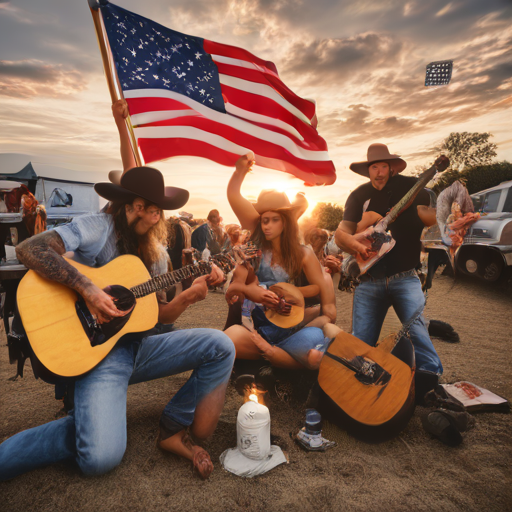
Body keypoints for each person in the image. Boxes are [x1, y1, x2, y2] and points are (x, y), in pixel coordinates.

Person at [0, 117, 235, 484]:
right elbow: (30, 248)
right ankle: (75, 426)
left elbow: (157, 316)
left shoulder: (156, 255)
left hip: (134, 348)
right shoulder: (97, 227)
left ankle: (174, 425)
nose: (151, 215)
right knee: (100, 458)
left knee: (220, 344)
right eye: (143, 207)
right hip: (94, 353)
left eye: (157, 209)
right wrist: (87, 288)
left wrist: (189, 296)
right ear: (127, 204)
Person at [334, 143, 442, 402]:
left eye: (384, 166)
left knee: (417, 333)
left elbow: (435, 219)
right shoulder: (359, 195)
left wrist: (449, 221)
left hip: (405, 277)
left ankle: (429, 384)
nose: (379, 172)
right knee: (360, 345)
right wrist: (353, 242)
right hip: (368, 281)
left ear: (392, 167)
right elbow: (340, 234)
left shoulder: (414, 188)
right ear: (368, 170)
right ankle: (364, 391)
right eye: (374, 166)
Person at [224, 153, 337, 371]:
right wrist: (240, 172)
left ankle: (276, 359)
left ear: (285, 222)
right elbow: (235, 288)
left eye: (274, 220)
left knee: (315, 357)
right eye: (264, 220)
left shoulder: (303, 253)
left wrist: (289, 292)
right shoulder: (252, 251)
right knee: (228, 341)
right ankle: (278, 358)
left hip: (297, 325)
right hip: (260, 326)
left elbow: (319, 291)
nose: (267, 226)